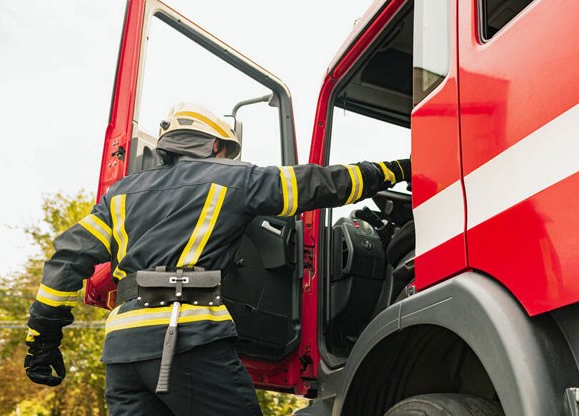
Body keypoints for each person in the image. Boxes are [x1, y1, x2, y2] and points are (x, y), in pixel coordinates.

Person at [24, 102, 411, 415]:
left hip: (122, 353)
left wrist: (43, 340)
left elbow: (67, 258)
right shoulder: (233, 180)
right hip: (187, 338)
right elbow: (321, 184)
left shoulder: (120, 195)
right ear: (214, 146)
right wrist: (395, 170)